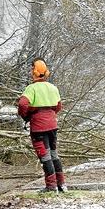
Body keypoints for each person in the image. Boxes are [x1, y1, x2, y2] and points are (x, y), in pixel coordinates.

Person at [17, 59, 66, 193]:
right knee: (54, 155)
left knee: (45, 157)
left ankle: (51, 186)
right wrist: (49, 114)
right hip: (52, 125)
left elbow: (22, 104)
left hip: (39, 127)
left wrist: (26, 115)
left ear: (34, 72)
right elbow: (58, 106)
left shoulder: (31, 88)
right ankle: (61, 184)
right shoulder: (53, 88)